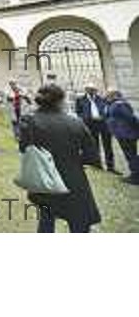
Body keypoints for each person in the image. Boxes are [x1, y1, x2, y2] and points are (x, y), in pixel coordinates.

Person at [19, 85, 101, 233]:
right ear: (61, 101)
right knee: (79, 224)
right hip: (73, 179)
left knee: (46, 221)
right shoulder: (76, 123)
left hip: (44, 179)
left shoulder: (29, 121)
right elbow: (92, 156)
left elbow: (24, 148)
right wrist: (74, 161)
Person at [75, 83, 119, 173]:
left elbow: (107, 109)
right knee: (94, 145)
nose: (92, 91)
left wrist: (103, 117)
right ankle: (97, 164)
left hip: (103, 124)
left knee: (108, 145)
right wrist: (87, 118)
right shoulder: (80, 100)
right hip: (90, 124)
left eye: (93, 89)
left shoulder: (101, 99)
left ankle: (110, 166)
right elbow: (78, 112)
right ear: (86, 90)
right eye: (90, 89)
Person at [105, 89, 139, 185]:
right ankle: (135, 174)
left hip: (127, 135)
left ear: (114, 95)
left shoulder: (120, 104)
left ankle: (136, 177)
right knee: (130, 155)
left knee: (131, 156)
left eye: (108, 95)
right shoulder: (114, 104)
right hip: (123, 134)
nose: (107, 97)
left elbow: (131, 118)